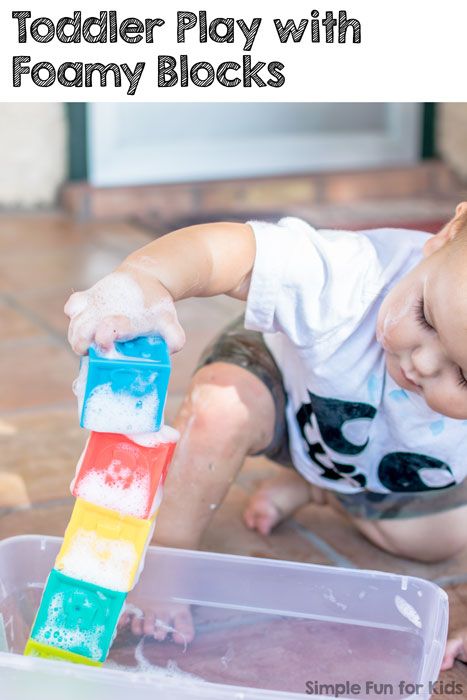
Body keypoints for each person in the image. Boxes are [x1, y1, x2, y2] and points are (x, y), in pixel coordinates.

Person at [66, 203, 467, 667]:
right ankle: (168, 561)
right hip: (283, 385)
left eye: (463, 375)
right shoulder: (353, 273)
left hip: (394, 463)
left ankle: (320, 487)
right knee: (220, 409)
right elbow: (233, 253)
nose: (423, 363)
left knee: (439, 538)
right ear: (446, 234)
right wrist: (145, 282)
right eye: (426, 318)